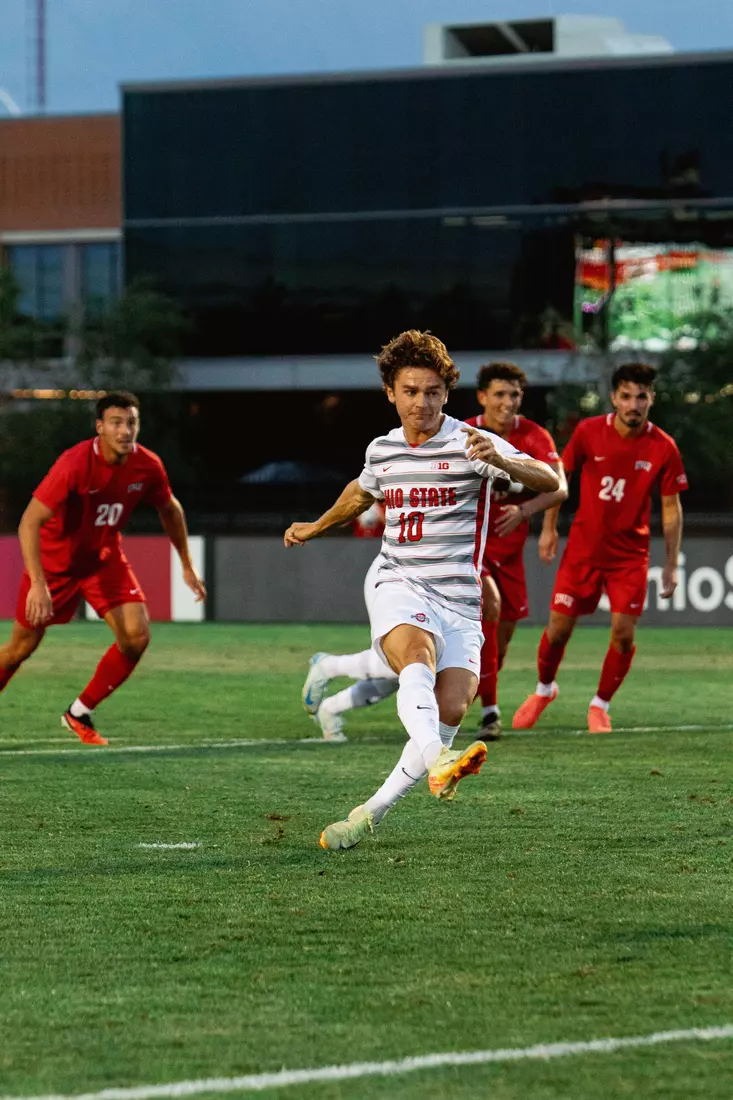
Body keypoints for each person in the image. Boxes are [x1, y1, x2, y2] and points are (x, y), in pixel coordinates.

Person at [284, 330, 559, 850]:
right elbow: (360, 492)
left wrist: (504, 461)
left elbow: (550, 481)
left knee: (451, 708)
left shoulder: (472, 443)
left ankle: (370, 813)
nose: (422, 402)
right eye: (410, 391)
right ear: (391, 392)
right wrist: (317, 526)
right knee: (416, 657)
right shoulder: (383, 448)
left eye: (433, 392)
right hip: (400, 580)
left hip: (460, 598)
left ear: (447, 394)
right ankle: (438, 758)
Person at [0, 391, 206, 745]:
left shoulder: (147, 465)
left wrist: (186, 565)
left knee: (136, 637)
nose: (125, 431)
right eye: (116, 423)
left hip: (102, 561)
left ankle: (79, 711)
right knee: (19, 649)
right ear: (100, 428)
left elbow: (170, 510)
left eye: (131, 423)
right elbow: (29, 522)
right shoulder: (74, 464)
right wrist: (37, 583)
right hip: (55, 567)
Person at [512, 362, 687, 734]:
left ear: (651, 399)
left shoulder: (664, 447)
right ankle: (544, 690)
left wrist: (671, 564)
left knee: (623, 634)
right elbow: (559, 480)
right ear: (614, 398)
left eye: (641, 397)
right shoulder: (589, 431)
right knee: (558, 630)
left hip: (630, 557)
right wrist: (549, 529)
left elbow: (672, 509)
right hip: (583, 551)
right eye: (627, 396)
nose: (634, 404)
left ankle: (600, 705)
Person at [464, 362, 567, 739]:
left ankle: (467, 693)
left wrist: (527, 513)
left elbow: (560, 488)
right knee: (488, 607)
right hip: (470, 546)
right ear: (482, 397)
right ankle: (490, 714)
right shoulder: (463, 432)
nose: (507, 402)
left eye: (514, 395)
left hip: (509, 552)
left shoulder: (534, 435)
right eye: (499, 394)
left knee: (500, 642)